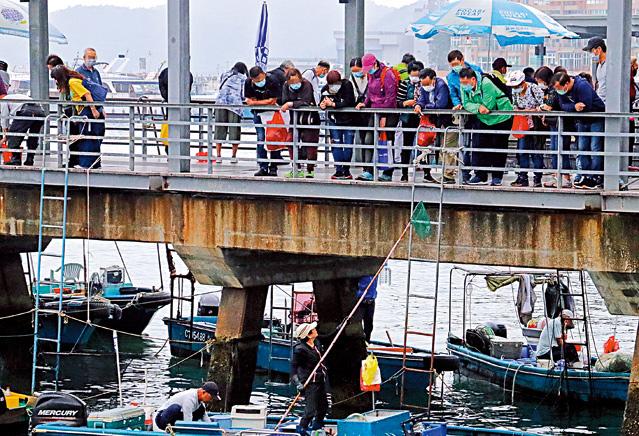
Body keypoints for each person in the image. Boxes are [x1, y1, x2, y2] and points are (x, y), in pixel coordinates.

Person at [459, 67, 513, 186]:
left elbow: (488, 106)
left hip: (501, 117)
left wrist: (478, 107)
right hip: (482, 118)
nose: (463, 86)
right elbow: (466, 103)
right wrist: (478, 107)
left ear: (473, 79)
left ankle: (497, 176)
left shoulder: (486, 84)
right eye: (462, 83)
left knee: (498, 146)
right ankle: (480, 174)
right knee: (479, 144)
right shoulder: (464, 87)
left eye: (465, 83)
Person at [551, 71, 605, 189]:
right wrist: (575, 107)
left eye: (559, 88)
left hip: (596, 119)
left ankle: (596, 177)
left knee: (595, 148)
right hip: (581, 121)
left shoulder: (582, 86)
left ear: (566, 84)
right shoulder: (561, 90)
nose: (559, 91)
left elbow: (586, 106)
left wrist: (573, 108)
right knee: (582, 148)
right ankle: (585, 176)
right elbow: (563, 105)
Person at [355, 53, 398, 182]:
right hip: (374, 112)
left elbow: (391, 97)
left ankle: (387, 171)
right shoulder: (370, 75)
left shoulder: (387, 74)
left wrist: (384, 115)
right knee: (369, 139)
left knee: (387, 142)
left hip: (387, 113)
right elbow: (370, 92)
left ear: (375, 64)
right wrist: (365, 103)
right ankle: (368, 170)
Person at [50, 65, 104, 169]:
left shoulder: (72, 82)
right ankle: (94, 164)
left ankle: (86, 164)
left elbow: (87, 94)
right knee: (90, 138)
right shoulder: (74, 80)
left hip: (87, 111)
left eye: (56, 78)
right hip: (85, 111)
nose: (56, 80)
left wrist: (93, 110)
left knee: (86, 138)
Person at [446, 50, 483, 183]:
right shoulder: (450, 77)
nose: (454, 66)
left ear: (462, 60)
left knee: (478, 142)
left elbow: (481, 89)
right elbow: (453, 94)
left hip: (478, 111)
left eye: (456, 63)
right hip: (464, 112)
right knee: (464, 143)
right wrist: (458, 104)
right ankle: (465, 172)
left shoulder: (476, 70)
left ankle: (479, 173)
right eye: (452, 64)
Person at [414, 68, 455, 184]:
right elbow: (421, 100)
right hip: (434, 122)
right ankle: (432, 174)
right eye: (423, 84)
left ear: (433, 79)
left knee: (447, 147)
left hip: (447, 121)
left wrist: (425, 106)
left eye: (427, 84)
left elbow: (441, 104)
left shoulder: (441, 86)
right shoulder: (423, 87)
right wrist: (418, 105)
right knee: (428, 147)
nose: (425, 86)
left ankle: (448, 175)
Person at [506, 70, 546, 188]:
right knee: (522, 150)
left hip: (535, 124)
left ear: (523, 83)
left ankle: (537, 178)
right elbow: (514, 105)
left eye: (517, 86)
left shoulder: (534, 89)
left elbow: (543, 105)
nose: (515, 88)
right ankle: (522, 177)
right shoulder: (515, 93)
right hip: (522, 124)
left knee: (536, 152)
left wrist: (531, 111)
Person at [535, 66, 572, 188]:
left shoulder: (553, 89)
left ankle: (565, 177)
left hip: (561, 123)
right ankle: (558, 176)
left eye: (539, 80)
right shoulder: (550, 89)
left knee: (560, 149)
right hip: (554, 123)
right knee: (555, 149)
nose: (538, 83)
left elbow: (549, 106)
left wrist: (540, 108)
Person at [281, 68, 320, 178]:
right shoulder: (286, 86)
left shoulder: (307, 85)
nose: (295, 84)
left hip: (310, 120)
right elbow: (284, 100)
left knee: (310, 145)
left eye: (296, 81)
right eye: (292, 82)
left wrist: (291, 104)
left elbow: (306, 100)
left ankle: (310, 170)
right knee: (290, 141)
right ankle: (296, 168)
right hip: (295, 120)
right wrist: (291, 103)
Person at [291, 322, 328, 436]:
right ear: (309, 334)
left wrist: (339, 327)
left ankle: (317, 428)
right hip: (309, 382)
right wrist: (298, 383)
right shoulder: (300, 349)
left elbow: (328, 336)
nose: (316, 329)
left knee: (323, 407)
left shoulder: (316, 342)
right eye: (313, 329)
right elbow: (293, 369)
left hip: (320, 379)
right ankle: (301, 430)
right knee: (310, 410)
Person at [244, 66, 282, 176]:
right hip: (258, 113)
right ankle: (263, 166)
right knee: (261, 139)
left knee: (273, 138)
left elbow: (273, 100)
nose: (259, 82)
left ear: (264, 74)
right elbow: (249, 99)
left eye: (260, 80)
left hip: (273, 113)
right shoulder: (248, 83)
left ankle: (274, 167)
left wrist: (256, 102)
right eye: (256, 81)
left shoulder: (273, 80)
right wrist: (262, 102)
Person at [396, 61, 429, 182]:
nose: (415, 78)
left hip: (422, 118)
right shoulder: (404, 84)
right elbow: (398, 102)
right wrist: (406, 103)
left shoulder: (425, 85)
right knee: (406, 146)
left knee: (424, 146)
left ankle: (427, 173)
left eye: (417, 75)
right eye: (413, 75)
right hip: (408, 118)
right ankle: (404, 173)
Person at [320, 70, 356, 179]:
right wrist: (322, 104)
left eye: (335, 84)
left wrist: (333, 104)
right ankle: (338, 169)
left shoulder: (347, 85)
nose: (333, 87)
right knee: (336, 145)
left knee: (348, 146)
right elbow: (321, 100)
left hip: (349, 120)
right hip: (334, 120)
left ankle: (346, 169)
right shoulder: (325, 89)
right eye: (331, 84)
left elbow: (349, 102)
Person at [214, 62, 248, 164]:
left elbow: (220, 87)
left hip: (220, 103)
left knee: (219, 129)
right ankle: (233, 156)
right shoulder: (243, 78)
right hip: (235, 105)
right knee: (234, 130)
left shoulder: (225, 74)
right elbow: (243, 94)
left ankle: (218, 156)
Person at [154, 382, 221, 431]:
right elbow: (187, 421)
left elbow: (205, 417)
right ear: (203, 392)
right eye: (211, 397)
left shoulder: (200, 401)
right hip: (161, 419)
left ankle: (176, 428)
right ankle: (172, 430)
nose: (211, 400)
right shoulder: (189, 399)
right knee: (175, 408)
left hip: (177, 416)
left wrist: (214, 429)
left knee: (201, 410)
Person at [0, 93, 45, 166]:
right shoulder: (15, 96)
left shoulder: (3, 101)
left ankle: (16, 159)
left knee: (14, 135)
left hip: (26, 111)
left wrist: (5, 129)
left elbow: (4, 116)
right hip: (40, 111)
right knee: (33, 136)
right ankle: (30, 159)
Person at [349, 57, 369, 146]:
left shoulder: (370, 77)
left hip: (369, 109)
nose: (356, 73)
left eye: (358, 70)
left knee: (368, 138)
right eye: (353, 71)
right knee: (361, 137)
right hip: (357, 110)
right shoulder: (352, 78)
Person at [583, 36, 607, 104]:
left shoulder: (609, 66)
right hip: (601, 101)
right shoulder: (599, 66)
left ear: (599, 49)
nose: (591, 54)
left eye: (591, 51)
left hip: (608, 104)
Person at [356, 276, 378, 342]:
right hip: (361, 300)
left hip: (371, 301)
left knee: (369, 325)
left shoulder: (375, 271)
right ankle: (359, 341)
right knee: (357, 324)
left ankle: (367, 341)